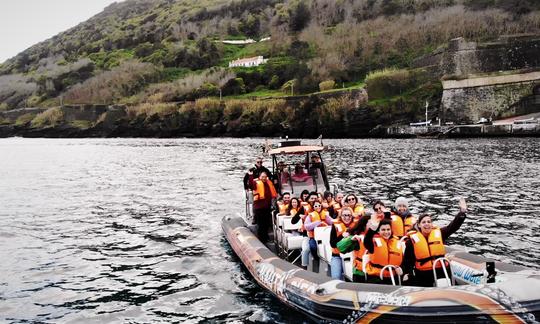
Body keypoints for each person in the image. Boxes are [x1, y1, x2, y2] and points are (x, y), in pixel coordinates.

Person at [402, 198, 468, 287]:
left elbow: (452, 227)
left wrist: (462, 213)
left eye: (429, 222)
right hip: (424, 274)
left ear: (432, 224)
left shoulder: (439, 233)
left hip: (441, 270)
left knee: (449, 283)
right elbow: (408, 262)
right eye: (424, 222)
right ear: (419, 225)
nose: (427, 224)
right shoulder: (411, 241)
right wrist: (407, 273)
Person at [363, 215, 404, 284]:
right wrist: (372, 229)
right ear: (378, 231)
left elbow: (403, 260)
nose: (386, 232)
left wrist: (401, 269)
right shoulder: (373, 242)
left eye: (388, 229)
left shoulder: (397, 242)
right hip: (376, 277)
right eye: (383, 230)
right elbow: (367, 241)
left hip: (393, 276)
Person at [303, 201, 332, 272]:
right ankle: (316, 258)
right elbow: (306, 226)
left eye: (319, 205)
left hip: (326, 237)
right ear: (313, 207)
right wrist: (317, 223)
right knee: (313, 246)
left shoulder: (325, 214)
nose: (318, 207)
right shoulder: (310, 216)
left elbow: (332, 223)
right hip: (314, 237)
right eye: (316, 206)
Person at [249, 172, 277, 243]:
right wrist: (250, 175)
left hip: (267, 207)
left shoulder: (268, 183)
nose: (264, 178)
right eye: (262, 177)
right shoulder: (256, 183)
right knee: (261, 224)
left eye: (265, 177)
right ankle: (261, 239)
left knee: (266, 223)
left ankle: (266, 238)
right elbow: (251, 186)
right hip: (259, 208)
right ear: (260, 177)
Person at [329, 207, 355, 279]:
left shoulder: (356, 226)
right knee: (336, 277)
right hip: (337, 256)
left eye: (349, 215)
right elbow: (332, 243)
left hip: (352, 256)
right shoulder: (335, 226)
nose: (347, 217)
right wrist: (341, 236)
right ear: (340, 216)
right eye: (344, 215)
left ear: (352, 216)